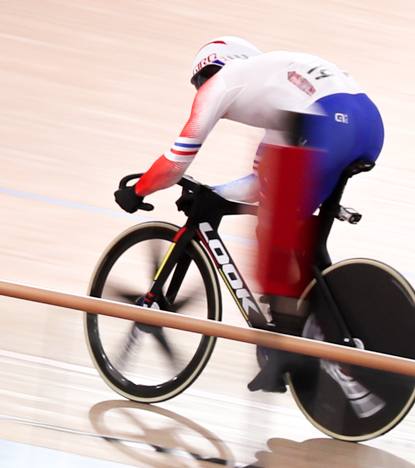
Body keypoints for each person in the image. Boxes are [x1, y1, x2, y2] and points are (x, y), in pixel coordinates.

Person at [115, 37, 384, 393]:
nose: (201, 91)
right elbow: (262, 182)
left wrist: (137, 191)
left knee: (272, 230)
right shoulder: (282, 98)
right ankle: (312, 322)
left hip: (328, 126)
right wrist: (215, 196)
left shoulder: (221, 82)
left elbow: (175, 163)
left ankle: (285, 349)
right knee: (294, 230)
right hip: (365, 125)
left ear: (207, 71)